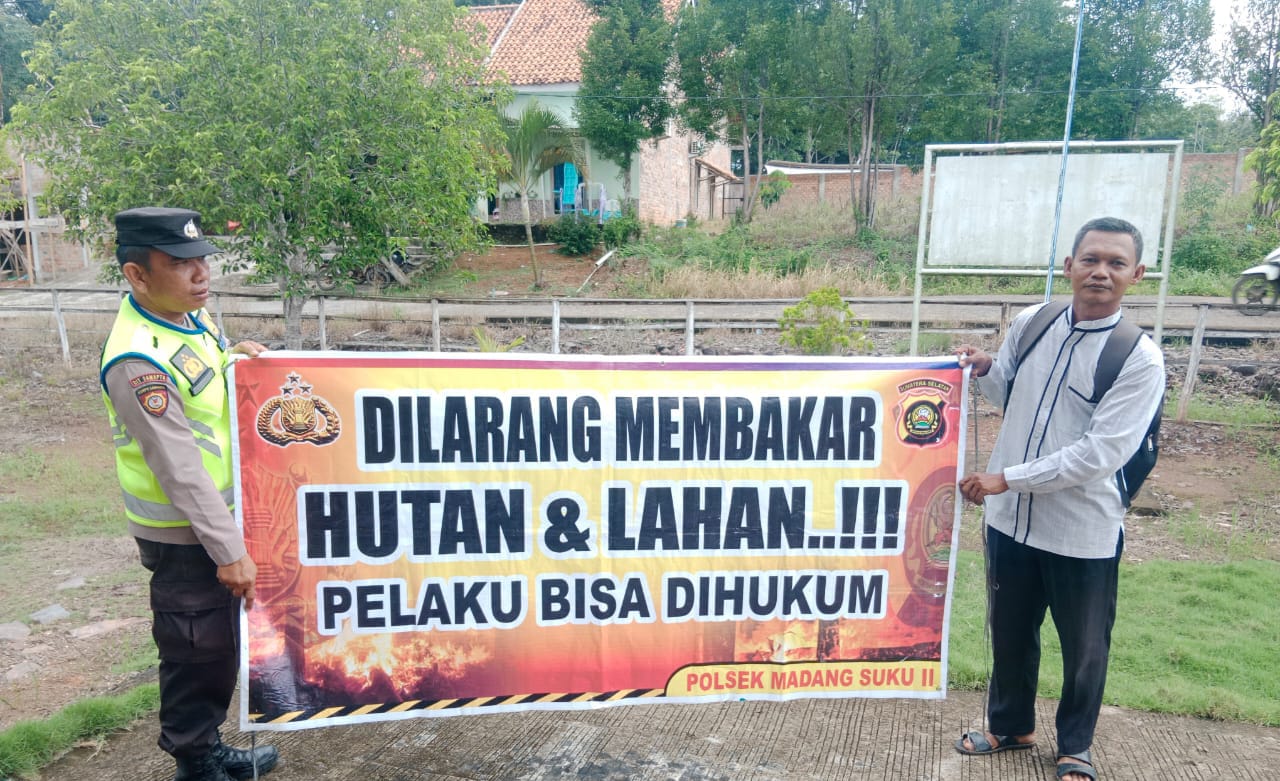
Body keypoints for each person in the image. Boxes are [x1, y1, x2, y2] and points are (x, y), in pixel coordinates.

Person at [952, 217, 1165, 781]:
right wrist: (984, 368)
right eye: (1090, 259)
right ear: (1069, 266)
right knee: (1010, 631)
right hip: (1010, 522)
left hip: (1081, 528)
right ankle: (1010, 726)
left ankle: (1075, 747)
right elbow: (1008, 389)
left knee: (1085, 646)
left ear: (1137, 274)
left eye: (1116, 263)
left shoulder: (1138, 358)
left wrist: (1007, 478)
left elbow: (1100, 453)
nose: (1101, 272)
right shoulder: (1034, 321)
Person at [100, 207, 279, 781]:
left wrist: (234, 360)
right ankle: (195, 761)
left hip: (217, 520)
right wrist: (229, 551)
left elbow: (203, 388)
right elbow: (179, 468)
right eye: (180, 264)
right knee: (193, 649)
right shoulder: (137, 359)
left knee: (219, 647)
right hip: (184, 536)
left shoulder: (189, 319)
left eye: (203, 260)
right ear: (137, 275)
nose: (201, 274)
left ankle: (207, 745)